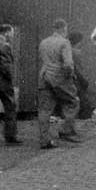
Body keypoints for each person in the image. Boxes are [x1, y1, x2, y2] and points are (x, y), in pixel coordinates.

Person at [37, 18, 80, 149]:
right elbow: (68, 64)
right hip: (59, 78)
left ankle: (44, 140)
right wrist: (69, 77)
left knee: (44, 109)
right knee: (73, 102)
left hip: (44, 77)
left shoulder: (43, 42)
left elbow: (43, 59)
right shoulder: (65, 42)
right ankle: (66, 130)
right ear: (63, 29)